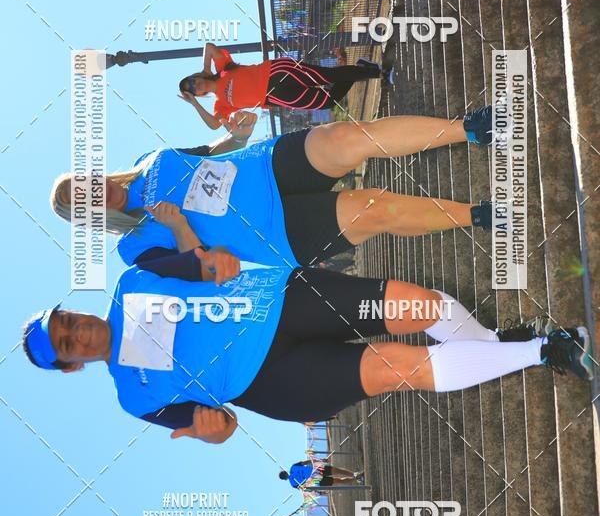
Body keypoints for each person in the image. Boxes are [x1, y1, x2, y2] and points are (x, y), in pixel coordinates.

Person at [22, 252, 593, 441]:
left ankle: (498, 345)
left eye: (66, 320)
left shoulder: (132, 280)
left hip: (286, 300)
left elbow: (202, 262)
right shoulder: (132, 397)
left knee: (421, 305)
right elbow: (217, 425)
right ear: (72, 366)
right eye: (67, 342)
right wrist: (211, 432)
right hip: (277, 380)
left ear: (72, 309)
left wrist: (215, 261)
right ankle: (548, 351)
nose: (76, 331)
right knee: (402, 365)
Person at [50, 107, 500, 273]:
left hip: (263, 166)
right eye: (84, 201)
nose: (95, 191)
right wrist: (181, 228)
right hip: (276, 233)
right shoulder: (133, 250)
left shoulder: (148, 159)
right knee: (372, 209)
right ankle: (478, 215)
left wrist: (237, 135)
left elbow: (210, 150)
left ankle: (471, 128)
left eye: (86, 182)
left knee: (348, 138)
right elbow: (202, 274)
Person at [178, 43, 386, 128]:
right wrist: (194, 104)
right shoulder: (220, 105)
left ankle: (379, 73)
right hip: (274, 97)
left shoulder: (223, 69)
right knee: (326, 101)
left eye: (193, 80)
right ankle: (361, 68)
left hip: (276, 72)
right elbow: (215, 125)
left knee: (327, 76)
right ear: (198, 94)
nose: (196, 85)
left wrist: (206, 69)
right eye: (193, 89)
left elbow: (209, 47)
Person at [279, 460, 362, 488]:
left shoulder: (293, 484)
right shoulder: (293, 467)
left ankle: (355, 478)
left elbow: (305, 488)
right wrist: (319, 461)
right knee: (337, 471)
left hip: (316, 480)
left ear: (285, 479)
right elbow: (307, 462)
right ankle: (354, 474)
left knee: (338, 481)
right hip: (316, 470)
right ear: (285, 471)